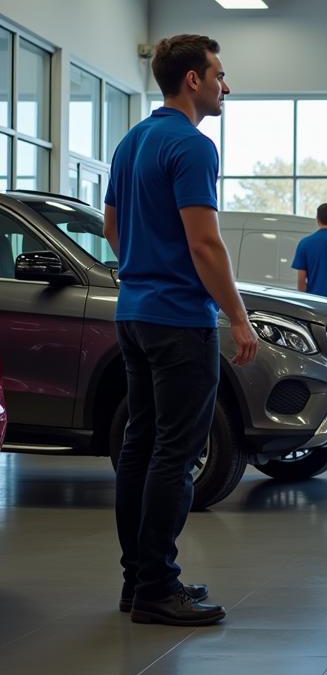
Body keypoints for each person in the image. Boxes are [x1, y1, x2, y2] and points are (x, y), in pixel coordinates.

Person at [103, 34, 259, 625]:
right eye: (219, 74)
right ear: (192, 80)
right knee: (177, 451)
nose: (227, 85)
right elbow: (204, 241)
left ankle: (138, 581)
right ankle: (158, 589)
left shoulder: (133, 139)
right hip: (177, 320)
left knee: (140, 448)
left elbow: (113, 226)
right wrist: (238, 317)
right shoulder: (193, 147)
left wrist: (145, 269)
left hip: (134, 314)